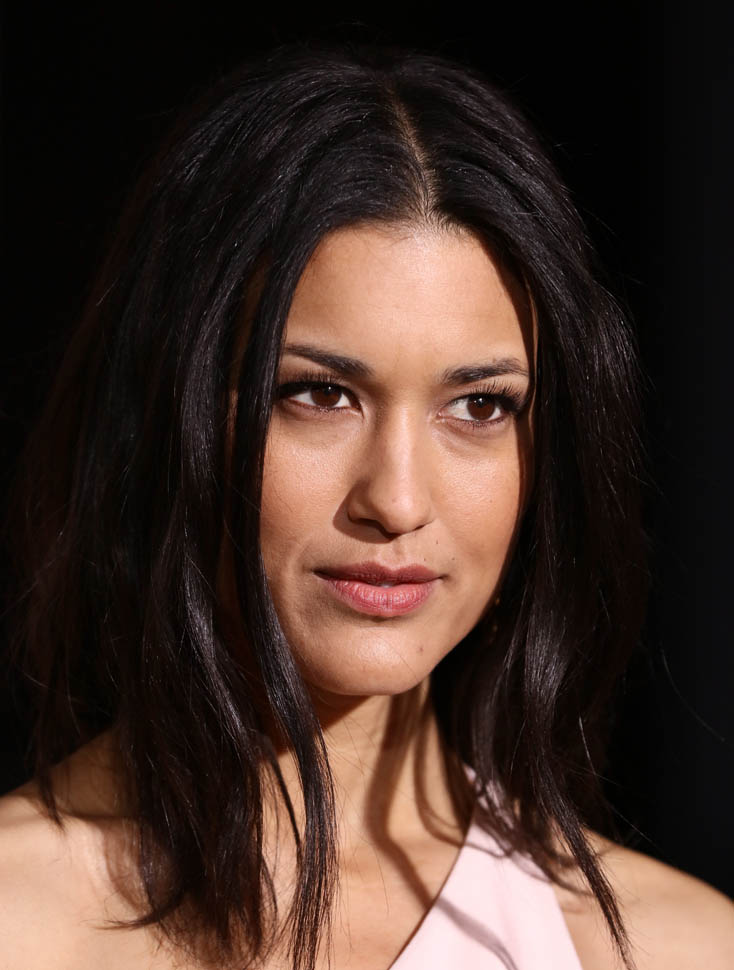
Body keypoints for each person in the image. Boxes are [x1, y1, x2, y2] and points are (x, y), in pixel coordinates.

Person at [0, 43, 732, 970]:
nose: (397, 500)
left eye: (480, 406)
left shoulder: (675, 948)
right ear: (171, 408)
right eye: (319, 394)